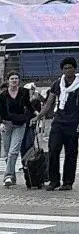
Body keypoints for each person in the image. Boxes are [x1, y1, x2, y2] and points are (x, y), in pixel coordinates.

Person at [37, 56, 79, 191]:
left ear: (75, 69)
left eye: (70, 68)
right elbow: (49, 102)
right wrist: (39, 115)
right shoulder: (57, 83)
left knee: (71, 153)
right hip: (58, 121)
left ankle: (68, 182)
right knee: (53, 150)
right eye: (65, 68)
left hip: (74, 122)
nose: (67, 71)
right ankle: (54, 181)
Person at [0, 72, 35, 187]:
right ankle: (12, 177)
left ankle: (7, 176)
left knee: (13, 151)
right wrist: (1, 123)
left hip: (20, 124)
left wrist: (38, 114)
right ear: (8, 80)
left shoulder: (24, 92)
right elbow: (0, 111)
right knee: (7, 153)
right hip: (7, 124)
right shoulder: (3, 95)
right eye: (12, 78)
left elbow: (28, 105)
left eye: (16, 78)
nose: (14, 80)